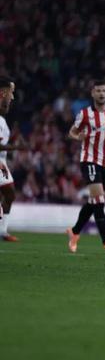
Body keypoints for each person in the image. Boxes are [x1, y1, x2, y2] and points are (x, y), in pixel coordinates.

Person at [66, 80, 105, 254]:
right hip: (89, 160)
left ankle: (75, 232)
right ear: (92, 93)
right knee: (99, 200)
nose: (101, 94)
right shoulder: (85, 114)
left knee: (94, 201)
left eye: (104, 91)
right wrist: (79, 137)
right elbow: (71, 132)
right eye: (98, 91)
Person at [0, 78, 28, 242]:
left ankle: (3, 231)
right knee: (9, 192)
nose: (13, 97)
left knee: (8, 194)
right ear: (3, 93)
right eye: (11, 92)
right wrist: (16, 147)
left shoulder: (2, 119)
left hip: (1, 163)